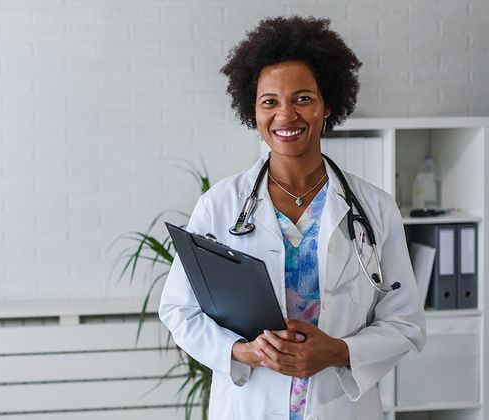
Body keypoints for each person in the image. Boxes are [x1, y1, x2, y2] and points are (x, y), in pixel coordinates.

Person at [159, 16, 426, 420]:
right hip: (250, 406)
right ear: (254, 110)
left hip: (340, 407)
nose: (286, 115)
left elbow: (405, 323)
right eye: (270, 101)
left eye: (303, 98)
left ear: (327, 105)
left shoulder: (375, 209)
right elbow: (179, 310)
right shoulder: (220, 206)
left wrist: (338, 352)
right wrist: (241, 352)